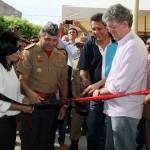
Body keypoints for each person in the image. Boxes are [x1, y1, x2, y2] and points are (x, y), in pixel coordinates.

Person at [93, 4, 148, 150]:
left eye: (112, 26)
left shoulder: (132, 46)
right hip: (116, 109)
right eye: (108, 27)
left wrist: (98, 93)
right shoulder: (123, 44)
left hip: (124, 111)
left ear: (125, 24)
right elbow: (116, 75)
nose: (110, 31)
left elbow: (119, 86)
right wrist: (99, 84)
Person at [16, 21, 68, 150]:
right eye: (48, 39)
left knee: (45, 141)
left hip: (51, 104)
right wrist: (29, 93)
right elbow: (22, 78)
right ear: (40, 36)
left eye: (55, 40)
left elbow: (63, 83)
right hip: (32, 104)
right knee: (30, 141)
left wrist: (64, 105)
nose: (51, 43)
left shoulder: (60, 56)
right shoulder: (29, 52)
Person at [77, 13, 118, 150]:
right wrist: (84, 79)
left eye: (100, 28)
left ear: (107, 27)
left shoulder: (119, 44)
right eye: (94, 29)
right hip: (95, 96)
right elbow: (83, 68)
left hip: (115, 95)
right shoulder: (89, 45)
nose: (96, 32)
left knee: (109, 134)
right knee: (93, 133)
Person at [0, 31, 34, 150]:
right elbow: (1, 102)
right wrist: (22, 108)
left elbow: (12, 94)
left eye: (19, 48)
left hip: (9, 122)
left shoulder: (9, 68)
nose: (19, 52)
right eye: (15, 49)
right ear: (5, 48)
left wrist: (24, 99)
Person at [68, 36, 88, 150]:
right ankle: (74, 144)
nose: (79, 48)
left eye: (82, 46)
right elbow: (73, 82)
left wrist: (87, 98)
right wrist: (76, 97)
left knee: (93, 126)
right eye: (78, 46)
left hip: (91, 99)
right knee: (75, 124)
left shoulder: (94, 60)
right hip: (78, 99)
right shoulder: (75, 61)